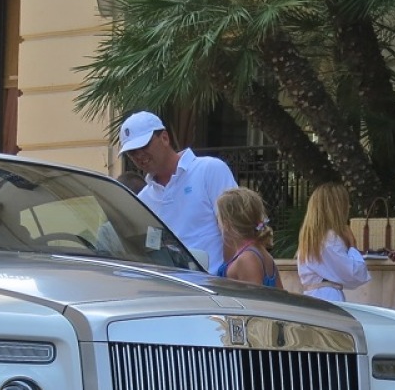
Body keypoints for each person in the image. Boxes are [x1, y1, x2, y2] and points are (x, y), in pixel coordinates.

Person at [119, 111, 237, 273]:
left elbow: (236, 232)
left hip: (214, 288)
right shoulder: (144, 199)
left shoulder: (209, 170)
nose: (139, 155)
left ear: (165, 138)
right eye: (132, 152)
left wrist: (228, 281)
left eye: (144, 145)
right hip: (172, 291)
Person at [295, 182, 370, 302]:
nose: (349, 207)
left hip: (313, 297)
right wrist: (352, 245)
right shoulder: (330, 239)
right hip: (328, 299)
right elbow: (356, 274)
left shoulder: (312, 238)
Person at [214, 188, 282, 288]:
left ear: (227, 223)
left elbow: (253, 300)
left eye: (219, 216)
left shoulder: (247, 259)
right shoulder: (259, 251)